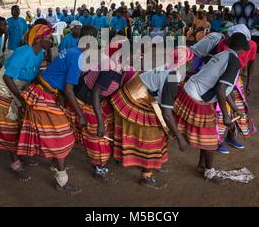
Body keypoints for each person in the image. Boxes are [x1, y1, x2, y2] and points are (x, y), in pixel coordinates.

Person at [16, 26, 98, 194]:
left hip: (45, 91)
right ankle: (61, 181)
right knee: (62, 137)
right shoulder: (78, 56)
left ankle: (55, 164)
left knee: (60, 133)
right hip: (44, 95)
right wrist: (81, 114)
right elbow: (68, 89)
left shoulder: (73, 50)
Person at [110, 47, 192, 189]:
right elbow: (166, 113)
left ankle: (151, 162)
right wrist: (179, 137)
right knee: (151, 135)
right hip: (135, 98)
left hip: (133, 92)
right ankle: (146, 176)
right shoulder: (171, 76)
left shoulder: (168, 65)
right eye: (189, 61)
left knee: (156, 130)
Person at [174, 33, 249, 183]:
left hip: (190, 91)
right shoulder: (234, 62)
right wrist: (227, 117)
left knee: (209, 134)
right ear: (242, 49)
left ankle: (202, 165)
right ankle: (209, 171)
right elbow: (220, 89)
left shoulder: (223, 54)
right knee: (211, 139)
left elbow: (221, 87)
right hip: (197, 97)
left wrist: (233, 107)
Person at [0, 24, 54, 181]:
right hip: (3, 91)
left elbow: (31, 76)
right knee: (10, 129)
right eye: (48, 38)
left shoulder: (39, 54)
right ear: (38, 39)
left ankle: (21, 154)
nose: (52, 41)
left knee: (21, 125)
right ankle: (15, 163)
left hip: (17, 90)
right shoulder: (23, 53)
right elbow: (8, 78)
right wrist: (20, 98)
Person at [67, 40, 133, 184]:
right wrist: (100, 123)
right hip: (87, 101)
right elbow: (96, 94)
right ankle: (99, 169)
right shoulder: (110, 70)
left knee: (102, 133)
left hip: (95, 101)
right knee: (98, 138)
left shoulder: (120, 67)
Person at [215, 28, 258, 153]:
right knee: (221, 109)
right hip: (222, 77)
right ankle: (219, 140)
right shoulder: (224, 43)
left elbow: (252, 63)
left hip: (235, 78)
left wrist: (248, 83)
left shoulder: (252, 45)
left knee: (238, 110)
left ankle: (231, 137)